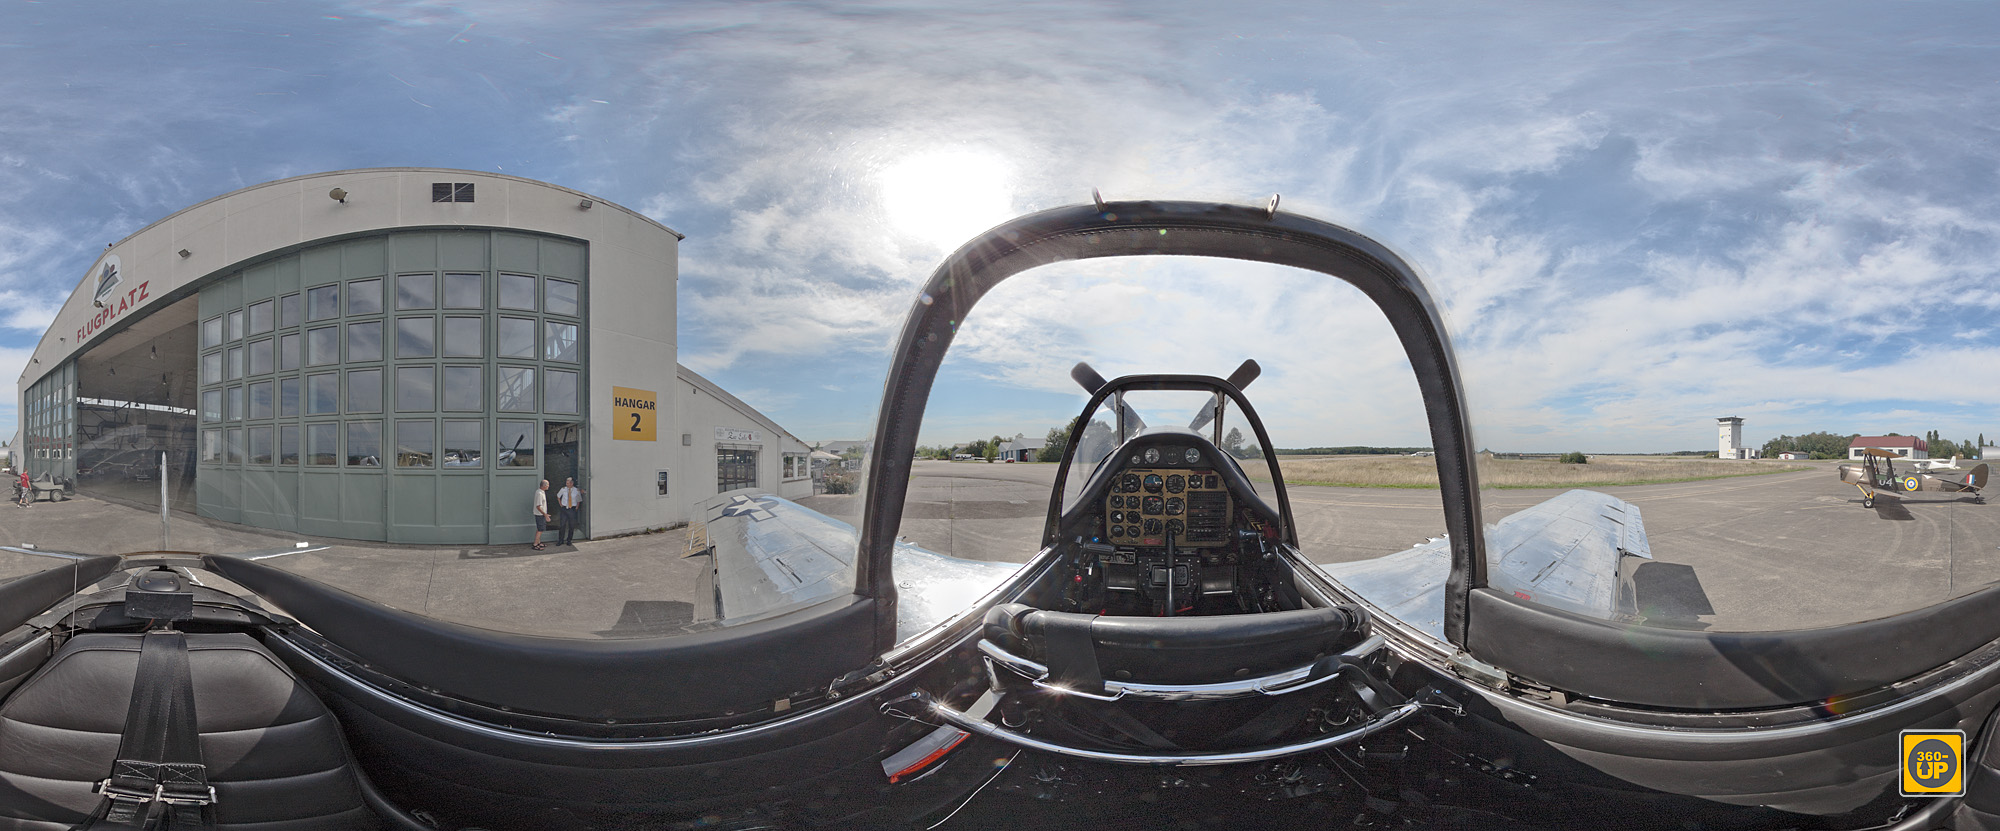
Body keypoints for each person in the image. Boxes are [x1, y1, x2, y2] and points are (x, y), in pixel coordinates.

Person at [556, 477, 585, 546]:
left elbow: (578, 500)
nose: (567, 484)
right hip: (564, 509)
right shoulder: (563, 489)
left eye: (568, 483)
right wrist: (561, 504)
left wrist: (576, 508)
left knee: (571, 525)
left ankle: (569, 540)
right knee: (562, 525)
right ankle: (560, 540)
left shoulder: (576, 490)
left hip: (572, 509)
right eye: (566, 483)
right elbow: (558, 496)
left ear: (572, 483)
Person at [531, 479, 550, 550]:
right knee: (540, 530)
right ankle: (535, 544)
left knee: (539, 529)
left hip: (541, 514)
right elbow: (538, 506)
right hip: (539, 514)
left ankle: (538, 542)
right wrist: (545, 514)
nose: (548, 486)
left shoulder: (540, 492)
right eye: (547, 485)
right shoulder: (539, 494)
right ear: (544, 486)